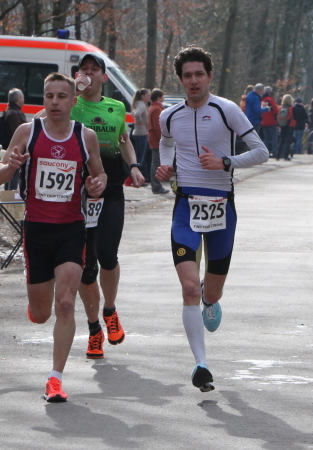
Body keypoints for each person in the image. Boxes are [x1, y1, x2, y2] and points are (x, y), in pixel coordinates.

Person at [155, 46, 268, 393]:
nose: (193, 81)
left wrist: (226, 162)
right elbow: (165, 144)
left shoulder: (226, 109)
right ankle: (201, 365)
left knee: (210, 291)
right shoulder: (169, 116)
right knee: (189, 286)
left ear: (209, 77)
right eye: (187, 75)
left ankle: (209, 298)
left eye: (199, 74)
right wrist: (166, 167)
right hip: (185, 208)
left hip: (221, 209)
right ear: (180, 79)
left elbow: (262, 152)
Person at [0, 72, 107, 402]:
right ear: (43, 100)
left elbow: (99, 175)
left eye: (61, 96)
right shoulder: (27, 132)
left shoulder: (85, 136)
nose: (55, 102)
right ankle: (35, 304)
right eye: (49, 96)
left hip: (71, 228)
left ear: (73, 101)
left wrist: (97, 185)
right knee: (42, 313)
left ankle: (55, 379)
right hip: (37, 230)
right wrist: (11, 166)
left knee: (66, 302)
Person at [71, 54, 144, 360]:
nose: (88, 74)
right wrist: (71, 93)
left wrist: (134, 166)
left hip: (111, 190)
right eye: (83, 70)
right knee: (85, 266)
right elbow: (40, 122)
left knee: (108, 255)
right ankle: (93, 331)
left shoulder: (116, 107)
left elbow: (123, 139)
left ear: (104, 77)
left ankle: (110, 310)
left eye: (94, 70)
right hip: (77, 195)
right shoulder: (69, 103)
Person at [3, 88, 27, 190]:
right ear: (18, 99)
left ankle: (7, 194)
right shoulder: (14, 114)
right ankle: (9, 196)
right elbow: (17, 134)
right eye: (22, 97)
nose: (24, 99)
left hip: (11, 149)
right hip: (16, 150)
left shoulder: (9, 111)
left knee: (10, 173)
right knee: (14, 174)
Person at [147, 89, 169, 195]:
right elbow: (158, 126)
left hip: (154, 138)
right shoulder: (157, 109)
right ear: (159, 97)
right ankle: (156, 186)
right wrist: (164, 139)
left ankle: (156, 185)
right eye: (162, 96)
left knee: (156, 162)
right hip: (157, 139)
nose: (163, 98)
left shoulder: (153, 107)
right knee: (156, 163)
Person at [131, 88, 151, 175]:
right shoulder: (142, 105)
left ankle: (142, 174)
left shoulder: (138, 104)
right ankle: (137, 175)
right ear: (142, 96)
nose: (150, 97)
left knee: (140, 155)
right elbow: (137, 114)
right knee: (140, 157)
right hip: (141, 133)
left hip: (138, 132)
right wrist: (140, 122)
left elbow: (134, 113)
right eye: (148, 95)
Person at [261, 86, 279, 157]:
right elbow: (275, 110)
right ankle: (274, 151)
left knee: (266, 138)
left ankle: (265, 152)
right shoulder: (270, 99)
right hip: (271, 120)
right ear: (270, 92)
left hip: (264, 121)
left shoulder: (262, 100)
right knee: (274, 137)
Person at [277, 94, 295, 161]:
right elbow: (294, 117)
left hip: (282, 125)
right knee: (288, 141)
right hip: (290, 125)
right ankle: (286, 156)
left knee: (282, 140)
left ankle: (278, 155)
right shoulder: (292, 108)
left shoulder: (280, 108)